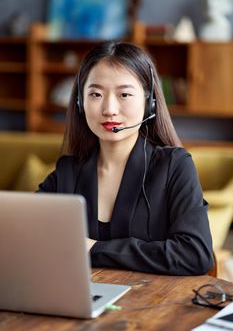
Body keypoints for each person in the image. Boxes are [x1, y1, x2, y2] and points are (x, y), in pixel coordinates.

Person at [38, 41, 213, 275]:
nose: (109, 108)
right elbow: (31, 238)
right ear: (81, 102)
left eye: (124, 94)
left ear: (149, 103)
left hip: (153, 304)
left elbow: (195, 255)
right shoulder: (67, 172)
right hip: (81, 300)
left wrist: (96, 249)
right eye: (96, 94)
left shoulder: (174, 166)